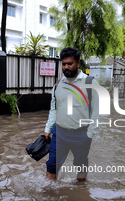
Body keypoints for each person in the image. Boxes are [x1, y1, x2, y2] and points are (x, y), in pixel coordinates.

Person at [43, 47, 99, 181]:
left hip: (81, 134)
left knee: (81, 165)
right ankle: (48, 198)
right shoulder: (58, 86)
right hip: (60, 133)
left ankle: (80, 193)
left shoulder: (90, 83)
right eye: (63, 64)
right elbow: (54, 109)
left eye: (70, 63)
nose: (66, 67)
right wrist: (47, 129)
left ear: (78, 63)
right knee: (52, 165)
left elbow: (96, 111)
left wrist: (89, 134)